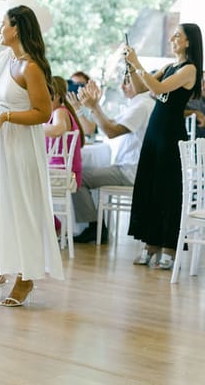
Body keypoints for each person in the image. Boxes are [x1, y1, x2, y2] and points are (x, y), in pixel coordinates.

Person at [0, 5, 63, 307]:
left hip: (23, 149)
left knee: (23, 210)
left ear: (17, 28)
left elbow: (43, 113)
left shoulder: (31, 67)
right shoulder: (3, 59)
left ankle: (26, 277)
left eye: (3, 24)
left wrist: (6, 117)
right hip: (1, 149)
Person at [124, 23, 203, 269]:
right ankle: (150, 244)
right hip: (154, 131)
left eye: (177, 35)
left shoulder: (190, 69)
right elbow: (140, 88)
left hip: (171, 133)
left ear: (189, 41)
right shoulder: (169, 67)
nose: (172, 39)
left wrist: (137, 62)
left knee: (168, 190)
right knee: (151, 187)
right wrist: (131, 66)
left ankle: (168, 247)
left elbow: (157, 88)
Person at [70, 77, 153, 243]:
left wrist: (92, 107)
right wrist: (88, 107)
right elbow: (107, 123)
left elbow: (111, 131)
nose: (122, 86)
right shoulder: (140, 104)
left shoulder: (142, 106)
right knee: (80, 175)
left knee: (77, 178)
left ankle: (94, 227)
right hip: (133, 168)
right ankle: (95, 226)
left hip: (130, 170)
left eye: (128, 81)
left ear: (142, 82)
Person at [44, 76, 85, 191]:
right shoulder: (56, 113)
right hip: (62, 173)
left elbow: (58, 130)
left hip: (63, 174)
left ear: (56, 96)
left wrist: (33, 127)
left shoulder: (60, 112)